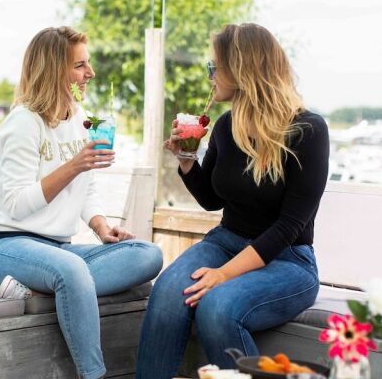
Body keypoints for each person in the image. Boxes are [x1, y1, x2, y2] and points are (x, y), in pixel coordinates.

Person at [136, 23, 329, 378]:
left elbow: (289, 226)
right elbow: (211, 199)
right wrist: (186, 160)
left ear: (241, 70)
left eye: (215, 67)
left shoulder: (309, 130)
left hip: (288, 261)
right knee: (167, 292)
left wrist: (224, 275)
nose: (210, 76)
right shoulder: (228, 126)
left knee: (218, 307)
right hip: (226, 242)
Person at [0, 26, 163, 379]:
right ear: (54, 70)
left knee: (148, 254)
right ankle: (93, 375)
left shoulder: (82, 120)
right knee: (73, 271)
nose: (90, 73)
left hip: (59, 250)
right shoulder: (22, 124)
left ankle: (48, 288)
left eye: (87, 64)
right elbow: (16, 205)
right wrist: (74, 164)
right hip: (6, 246)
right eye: (80, 65)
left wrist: (101, 227)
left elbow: (86, 188)